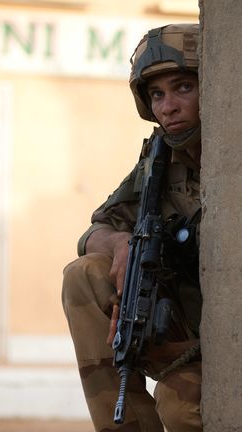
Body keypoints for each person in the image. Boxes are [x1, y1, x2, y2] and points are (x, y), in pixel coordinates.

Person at [61, 23, 203, 432]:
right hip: (175, 332)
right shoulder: (159, 160)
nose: (168, 107)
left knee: (180, 409)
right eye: (157, 94)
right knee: (82, 275)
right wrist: (122, 242)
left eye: (183, 88)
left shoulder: (241, 155)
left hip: (234, 344)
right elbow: (93, 233)